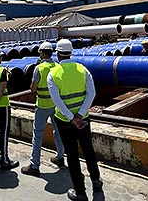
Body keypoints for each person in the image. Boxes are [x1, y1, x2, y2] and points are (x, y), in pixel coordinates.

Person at [48, 39, 103, 201]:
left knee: (72, 155)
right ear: (70, 52)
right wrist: (80, 114)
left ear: (58, 54)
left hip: (64, 122)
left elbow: (57, 101)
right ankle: (96, 181)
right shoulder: (83, 69)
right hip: (83, 120)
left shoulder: (53, 74)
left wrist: (71, 118)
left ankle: (80, 192)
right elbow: (91, 94)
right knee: (88, 150)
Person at [21, 41, 66, 176]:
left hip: (42, 105)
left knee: (38, 135)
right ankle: (60, 158)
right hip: (56, 105)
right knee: (58, 132)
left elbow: (33, 88)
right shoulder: (58, 66)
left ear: (41, 53)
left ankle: (34, 165)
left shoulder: (39, 68)